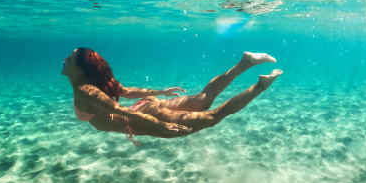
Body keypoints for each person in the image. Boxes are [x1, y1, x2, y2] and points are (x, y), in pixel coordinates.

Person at [62, 47, 283, 144]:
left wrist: (159, 124)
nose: (65, 60)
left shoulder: (85, 91)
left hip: (139, 119)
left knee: (212, 117)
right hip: (143, 106)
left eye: (69, 59)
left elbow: (118, 109)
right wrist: (158, 93)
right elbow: (126, 92)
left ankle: (261, 85)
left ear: (80, 70)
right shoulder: (92, 84)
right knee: (203, 100)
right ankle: (246, 62)